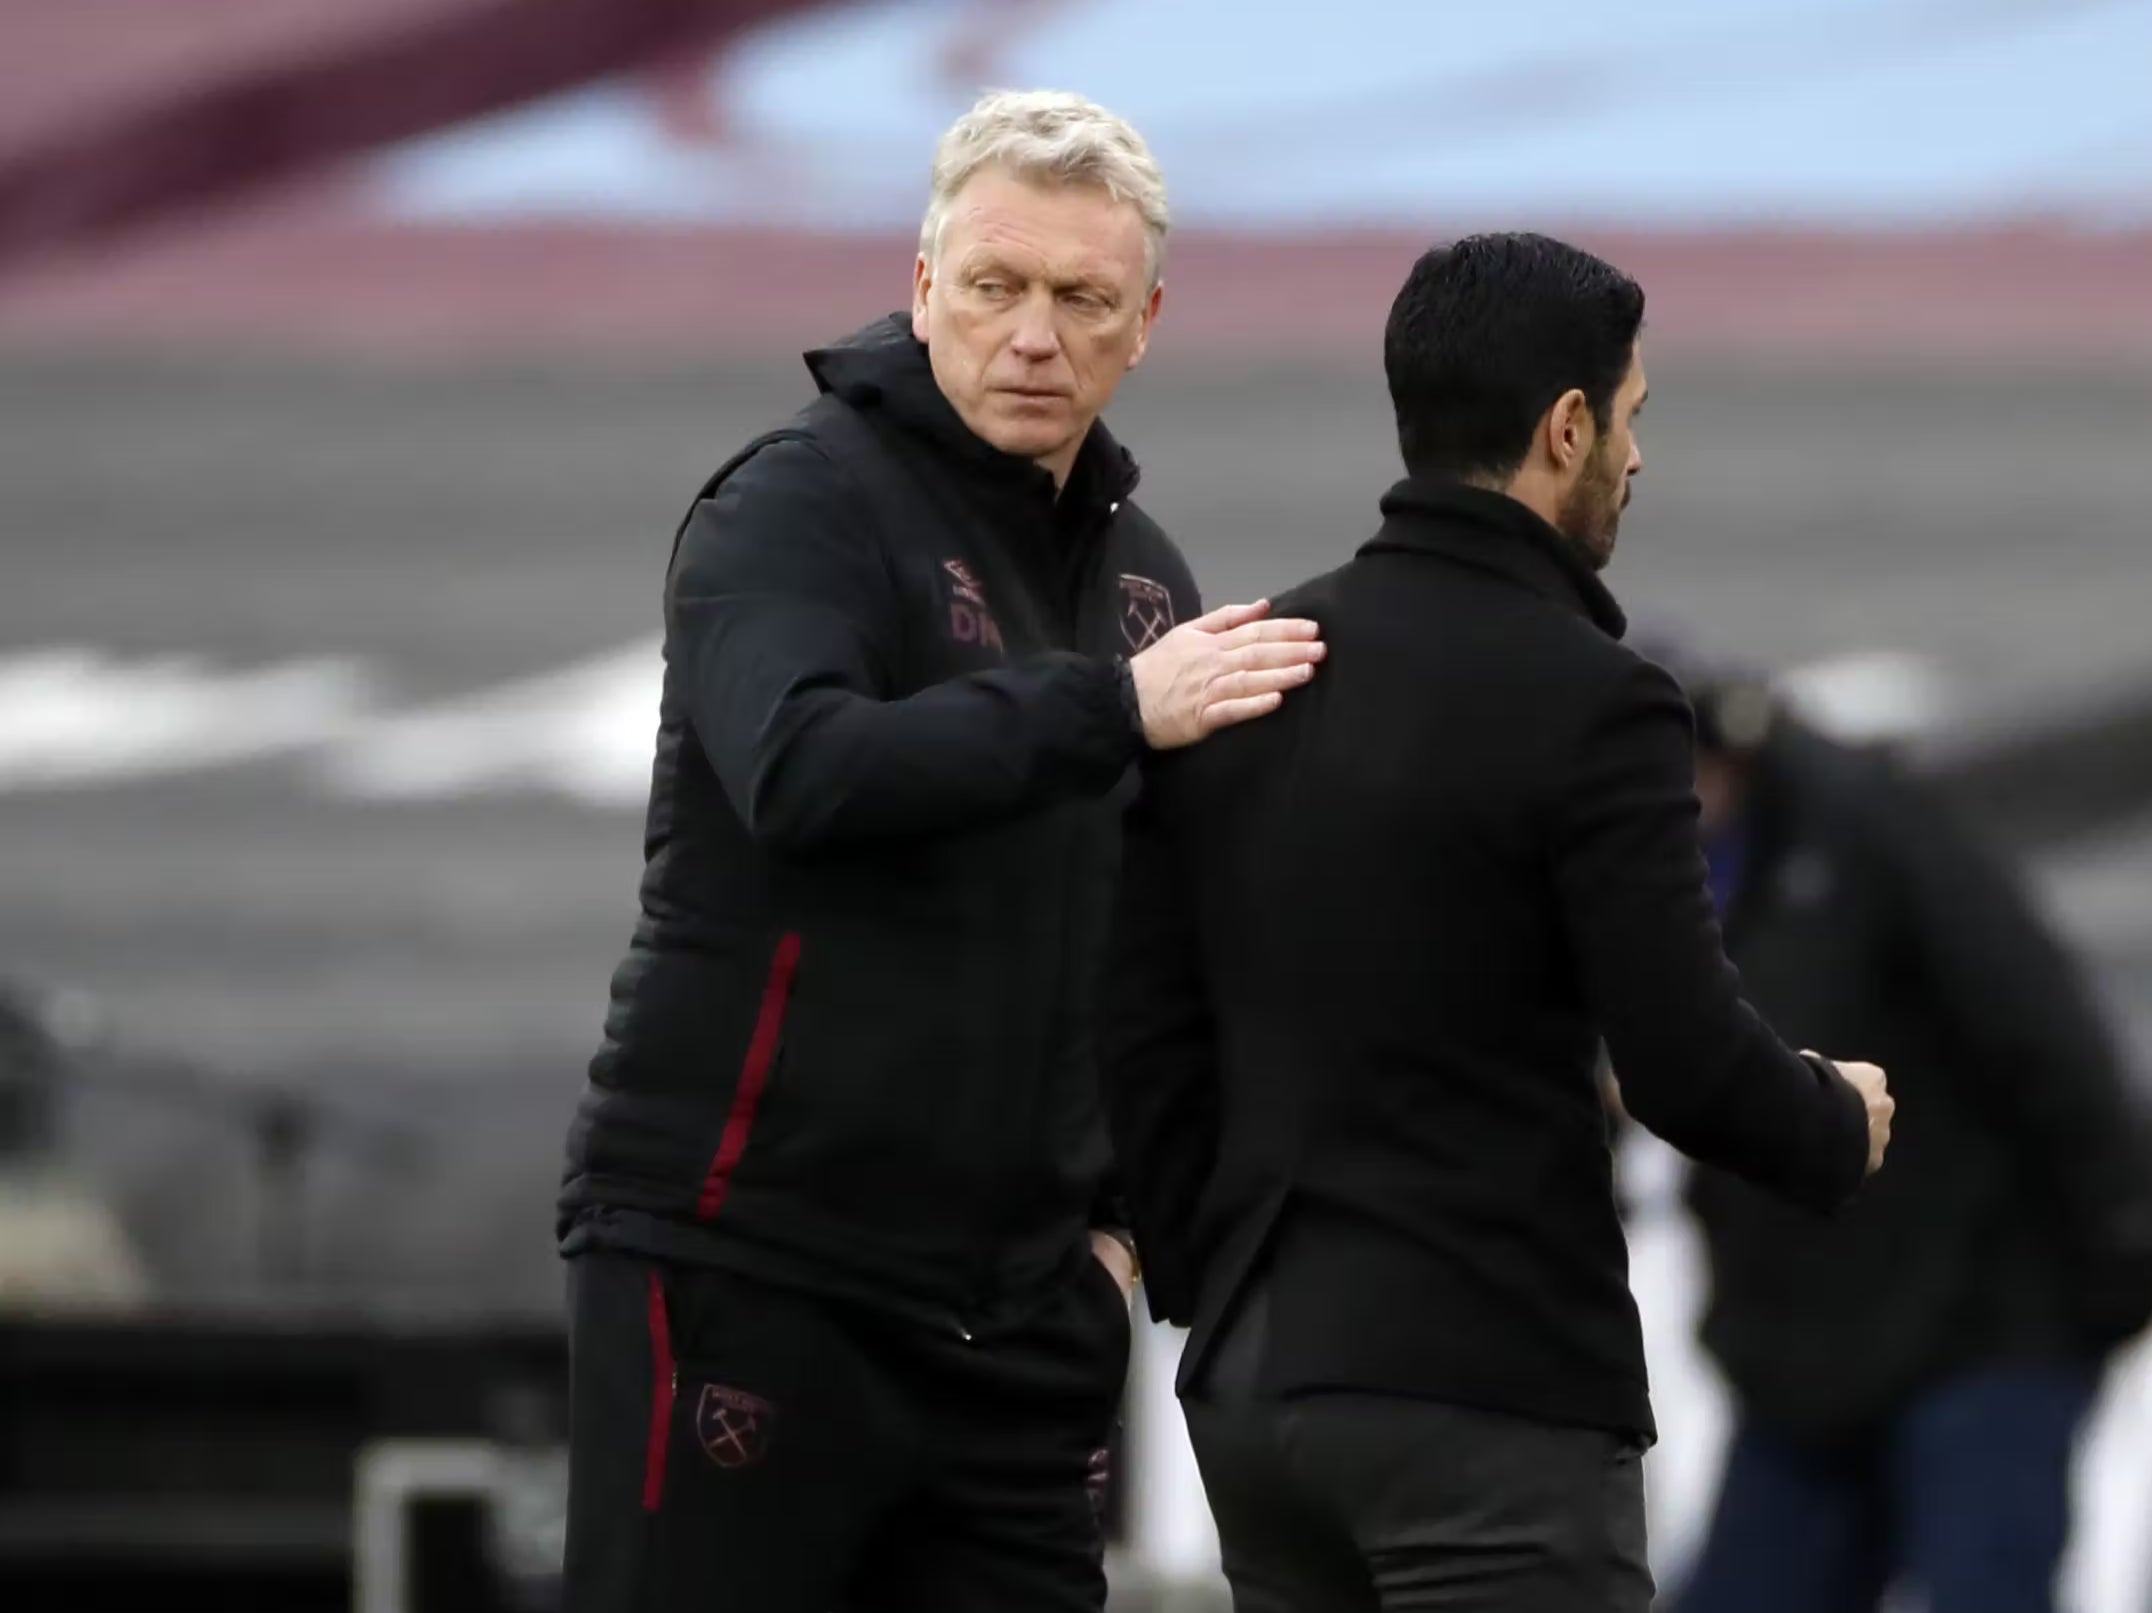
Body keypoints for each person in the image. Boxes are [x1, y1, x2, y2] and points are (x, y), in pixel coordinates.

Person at [553, 89, 1324, 1613]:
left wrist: (1122, 1235)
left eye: (1082, 299)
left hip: (1014, 1325)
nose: (1035, 334)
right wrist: (1108, 709)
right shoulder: (797, 504)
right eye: (995, 287)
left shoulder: (1145, 582)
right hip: (754, 1264)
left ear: (1146, 320)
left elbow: (1163, 944)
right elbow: (802, 769)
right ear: (922, 289)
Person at [1099, 232, 1894, 1613]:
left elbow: (1146, 1012)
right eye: (1631, 419)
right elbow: (1681, 1057)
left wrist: (1199, 1266)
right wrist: (1833, 1116)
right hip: (1483, 1390)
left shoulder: (1248, 669)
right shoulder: (1600, 701)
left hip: (1254, 1386)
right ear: (1566, 427)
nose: (1636, 461)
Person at [1640, 652, 2152, 1613]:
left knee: (1983, 1587)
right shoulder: (1656, 886)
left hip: (1984, 1318)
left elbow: (2044, 1029)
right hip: (1803, 1348)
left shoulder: (1865, 841)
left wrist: (2121, 1246)